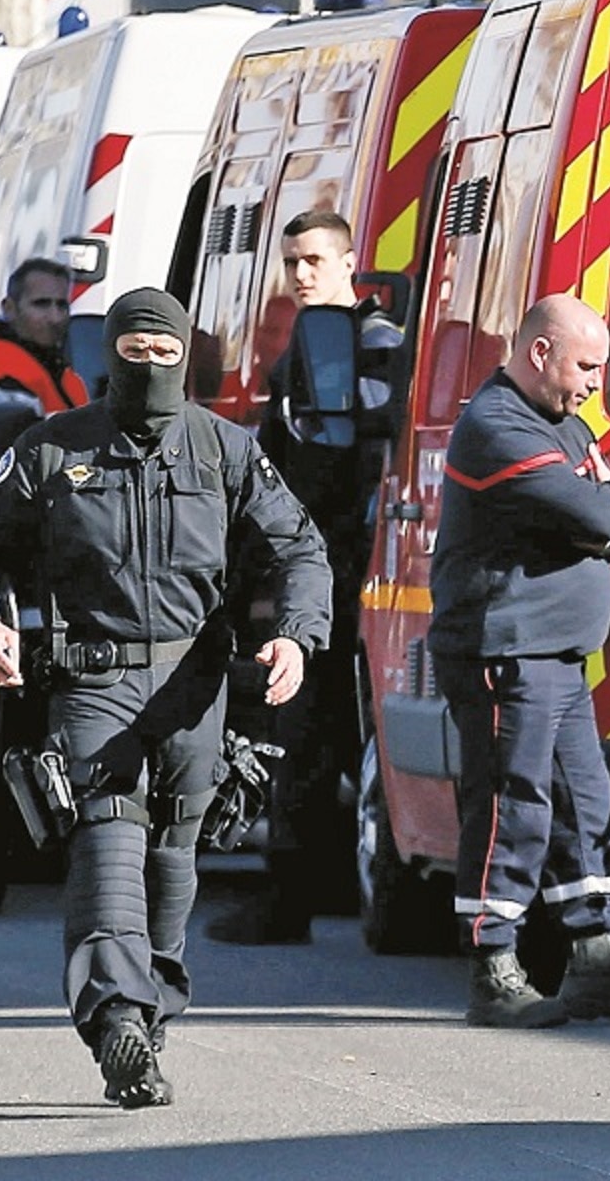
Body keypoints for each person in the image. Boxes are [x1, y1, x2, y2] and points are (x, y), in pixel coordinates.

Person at [0, 286, 332, 1108]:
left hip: (196, 691)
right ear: (108, 355)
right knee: (109, 846)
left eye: (166, 355)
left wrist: (296, 635)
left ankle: (148, 1017)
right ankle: (117, 1015)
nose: (151, 367)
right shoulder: (52, 451)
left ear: (185, 357)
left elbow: (301, 548)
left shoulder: (225, 452)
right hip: (95, 683)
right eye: (135, 352)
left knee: (172, 864)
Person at [428, 294, 610, 1028]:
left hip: (558, 656)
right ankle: (494, 966)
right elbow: (603, 516)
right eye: (585, 366)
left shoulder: (561, 425)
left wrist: (609, 505)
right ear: (539, 352)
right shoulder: (498, 427)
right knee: (513, 807)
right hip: (508, 652)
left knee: (584, 807)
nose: (592, 385)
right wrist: (607, 505)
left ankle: (595, 962)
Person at [208, 209, 402, 945]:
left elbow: (363, 456)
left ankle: (294, 894)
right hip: (313, 561)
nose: (301, 275)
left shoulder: (374, 342)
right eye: (292, 262)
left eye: (315, 260)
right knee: (306, 725)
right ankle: (299, 888)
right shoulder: (309, 345)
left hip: (352, 563)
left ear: (351, 259)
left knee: (311, 725)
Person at [0, 256, 89, 474]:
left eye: (62, 305)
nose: (55, 317)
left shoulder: (62, 373)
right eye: (41, 304)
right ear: (9, 308)